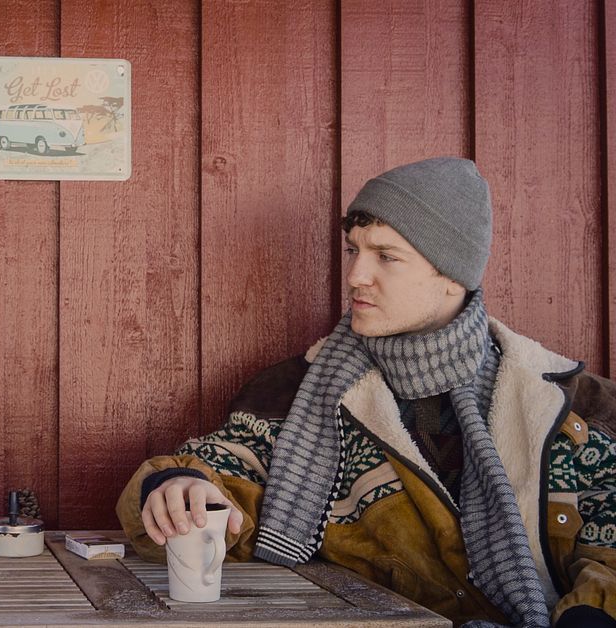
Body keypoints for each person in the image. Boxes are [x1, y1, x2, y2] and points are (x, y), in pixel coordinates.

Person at [117, 158, 616, 627]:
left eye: (386, 256)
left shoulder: (571, 401)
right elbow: (225, 473)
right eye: (355, 249)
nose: (356, 275)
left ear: (453, 277)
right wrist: (181, 486)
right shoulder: (296, 391)